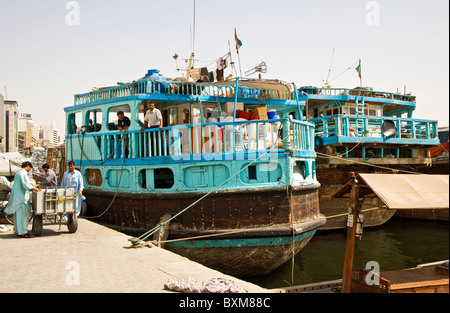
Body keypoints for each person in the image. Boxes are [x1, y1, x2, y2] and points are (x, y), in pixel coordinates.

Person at [4, 161, 42, 238]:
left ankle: (19, 231)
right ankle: (24, 232)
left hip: (17, 197)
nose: (30, 170)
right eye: (30, 168)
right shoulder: (23, 173)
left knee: (18, 216)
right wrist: (36, 189)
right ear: (28, 166)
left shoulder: (18, 173)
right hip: (22, 199)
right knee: (23, 216)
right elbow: (26, 185)